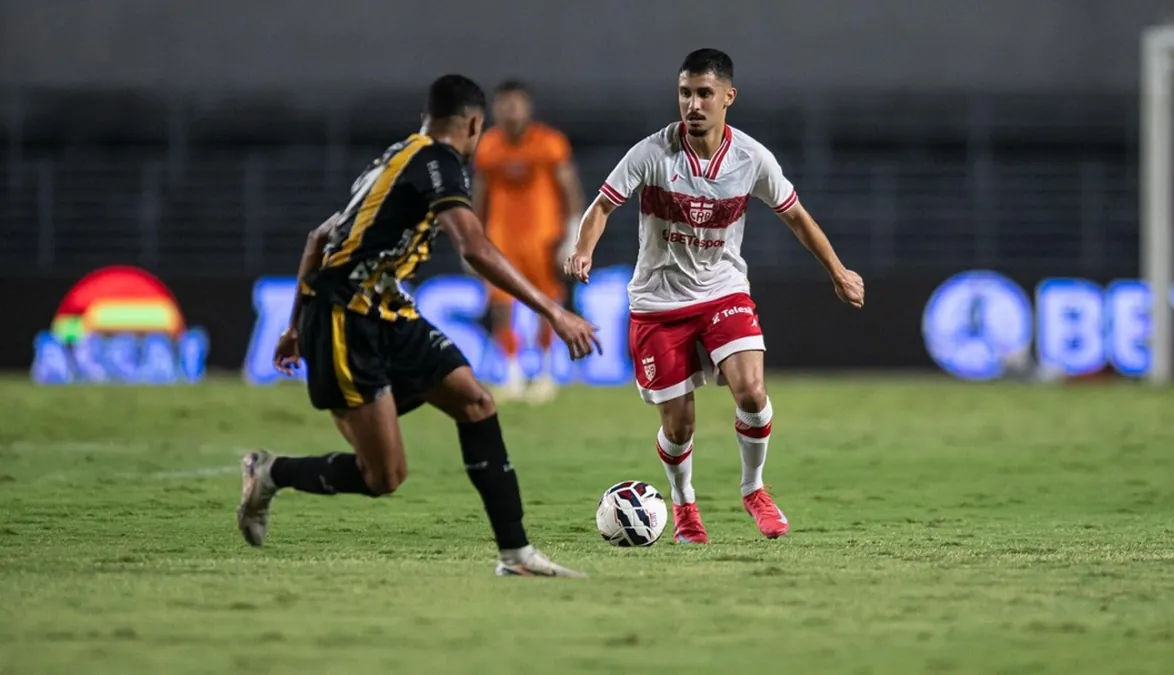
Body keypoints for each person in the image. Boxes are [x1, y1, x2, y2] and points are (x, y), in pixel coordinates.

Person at [238, 74, 600, 577]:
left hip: (385, 308)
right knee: (384, 475)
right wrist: (555, 311)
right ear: (475, 124)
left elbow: (318, 237)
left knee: (476, 402)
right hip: (344, 316)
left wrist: (293, 325)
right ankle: (269, 472)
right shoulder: (439, 163)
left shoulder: (396, 156)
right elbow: (473, 245)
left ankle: (515, 556)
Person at [564, 49, 864, 544]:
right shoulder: (652, 154)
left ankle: (754, 489)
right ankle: (683, 506)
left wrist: (837, 270)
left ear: (729, 97)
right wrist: (582, 249)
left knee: (752, 391)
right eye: (686, 93)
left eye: (705, 94)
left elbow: (797, 217)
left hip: (722, 289)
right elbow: (600, 208)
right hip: (658, 304)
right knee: (679, 427)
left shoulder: (752, 158)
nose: (694, 104)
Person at [472, 80, 585, 402]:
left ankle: (547, 373)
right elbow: (479, 198)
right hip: (501, 239)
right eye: (504, 103)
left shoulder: (549, 143)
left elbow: (570, 189)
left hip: (543, 237)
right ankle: (511, 374)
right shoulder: (488, 147)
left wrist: (572, 234)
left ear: (528, 106)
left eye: (516, 103)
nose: (510, 110)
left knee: (547, 305)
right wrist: (474, 239)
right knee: (500, 306)